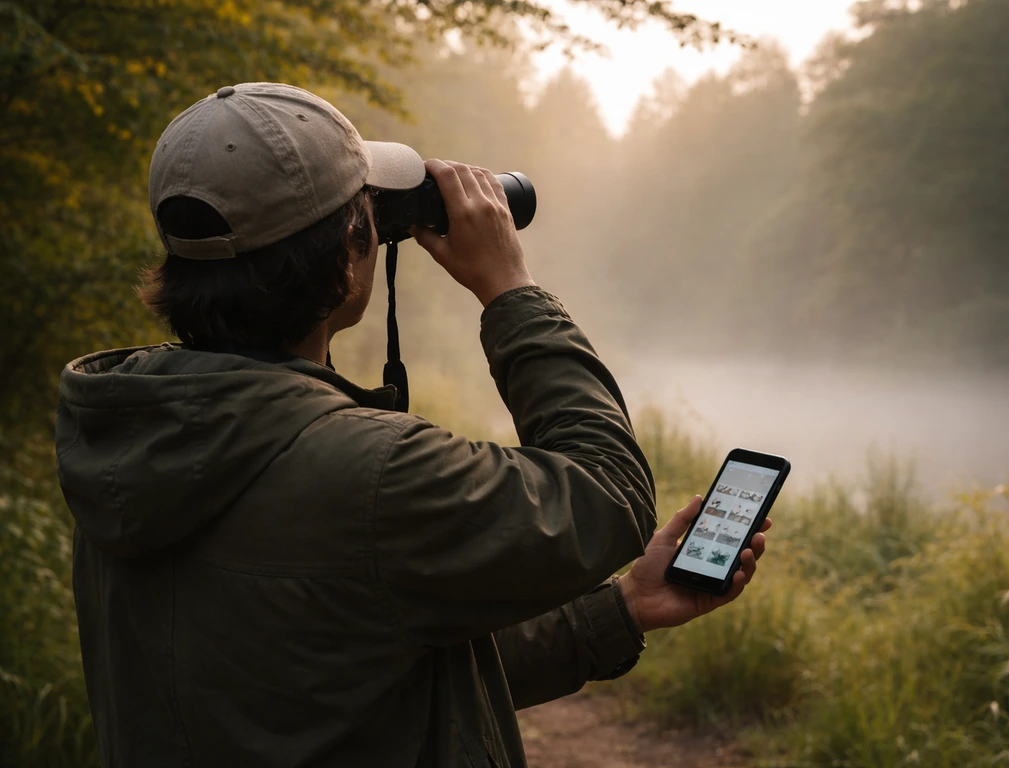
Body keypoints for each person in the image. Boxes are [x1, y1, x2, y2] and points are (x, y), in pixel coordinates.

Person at [55, 82, 769, 768]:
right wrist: (508, 286)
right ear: (347, 252)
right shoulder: (366, 472)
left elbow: (352, 670)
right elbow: (608, 495)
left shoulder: (127, 434)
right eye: (364, 208)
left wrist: (624, 607)